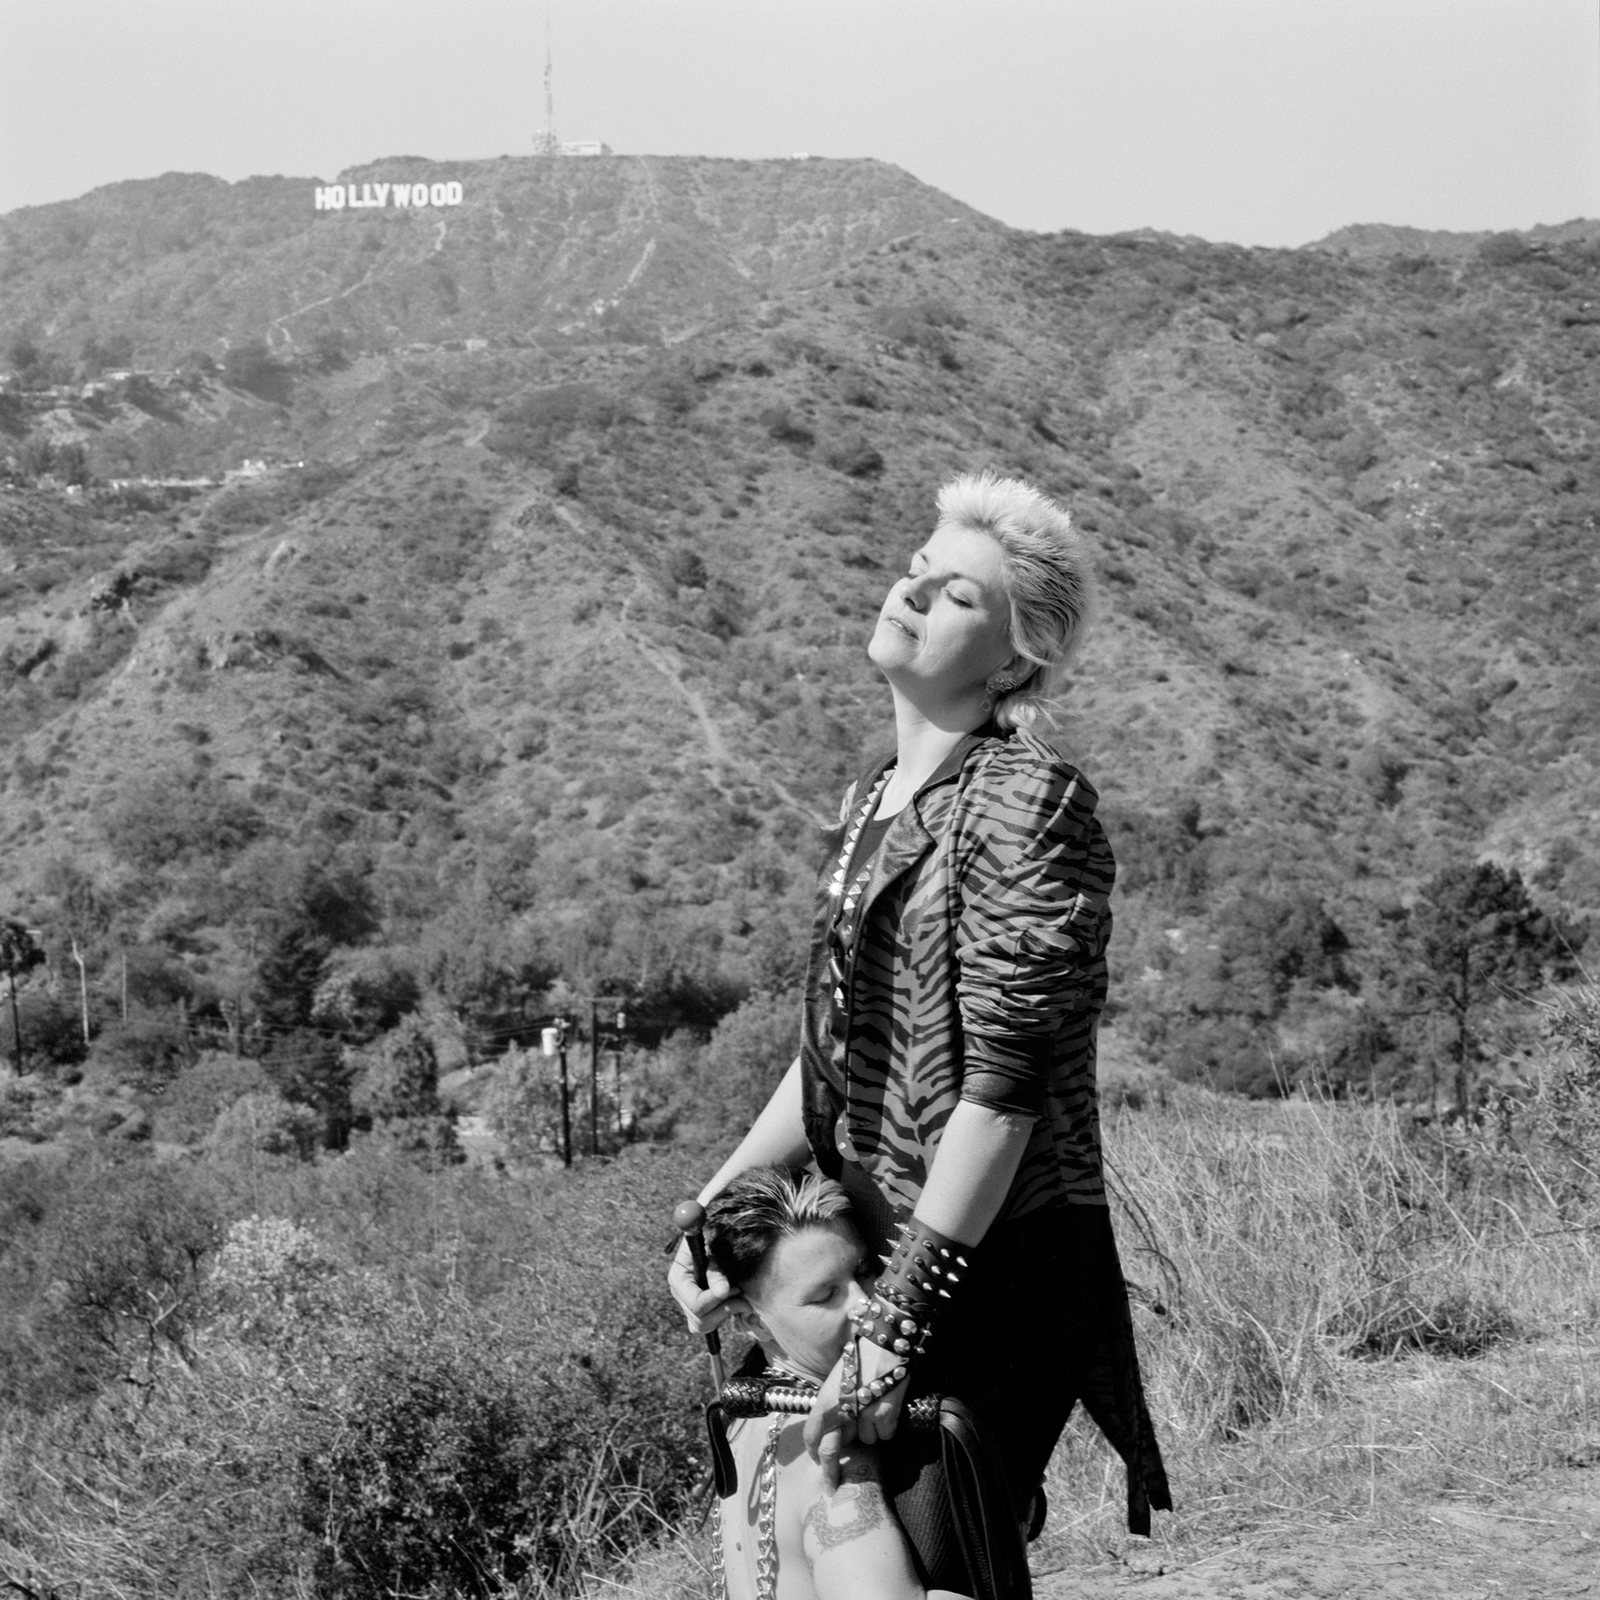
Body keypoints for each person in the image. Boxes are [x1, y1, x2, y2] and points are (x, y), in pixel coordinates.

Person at [672, 470, 1170, 1593]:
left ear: (1011, 660)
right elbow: (828, 1061)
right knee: (805, 1546)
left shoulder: (1025, 802)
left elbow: (1003, 1094)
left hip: (989, 1256)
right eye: (916, 570)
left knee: (915, 1564)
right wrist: (712, 1210)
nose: (912, 591)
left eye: (954, 595)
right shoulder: (875, 799)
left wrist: (899, 1321)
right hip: (874, 1243)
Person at [704, 1163, 972, 1600]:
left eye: (865, 1270)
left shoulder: (741, 1423)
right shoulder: (834, 1455)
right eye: (826, 1295)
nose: (867, 1305)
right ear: (754, 1321)